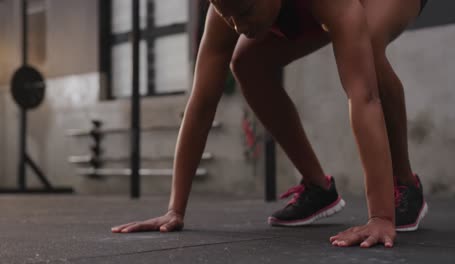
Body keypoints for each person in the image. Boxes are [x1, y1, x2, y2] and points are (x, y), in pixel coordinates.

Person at [112, 0, 428, 248]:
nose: (239, 26)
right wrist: (175, 210)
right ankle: (319, 188)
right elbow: (201, 105)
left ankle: (405, 186)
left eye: (246, 11)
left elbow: (364, 97)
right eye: (230, 18)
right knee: (247, 62)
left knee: (368, 48)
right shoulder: (230, 9)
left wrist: (380, 217)